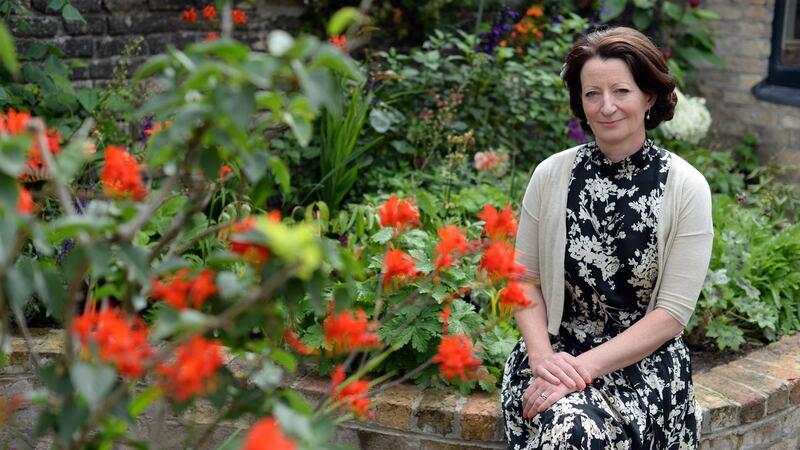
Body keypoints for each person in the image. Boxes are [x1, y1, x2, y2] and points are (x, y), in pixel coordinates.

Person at [501, 26, 713, 449]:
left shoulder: (687, 187)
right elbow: (522, 279)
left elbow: (671, 315)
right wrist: (544, 360)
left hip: (644, 366)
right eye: (592, 93)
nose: (606, 106)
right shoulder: (551, 175)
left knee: (571, 432)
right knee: (571, 428)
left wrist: (581, 371)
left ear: (649, 96)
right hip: (555, 357)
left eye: (621, 91)